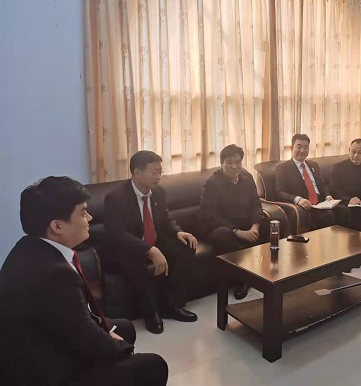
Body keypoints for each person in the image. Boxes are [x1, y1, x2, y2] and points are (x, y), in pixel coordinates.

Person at [0, 176, 168, 385]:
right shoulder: (53, 275)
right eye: (82, 213)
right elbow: (86, 338)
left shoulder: (28, 247)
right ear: (57, 226)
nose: (89, 218)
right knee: (153, 365)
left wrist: (109, 337)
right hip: (45, 370)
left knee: (124, 327)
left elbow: (73, 318)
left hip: (44, 339)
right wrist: (122, 348)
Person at [104, 151, 199, 334]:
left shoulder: (158, 192)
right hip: (129, 247)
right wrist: (149, 250)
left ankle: (172, 306)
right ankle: (150, 313)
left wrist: (178, 232)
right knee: (134, 262)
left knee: (186, 247)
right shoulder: (116, 198)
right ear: (137, 173)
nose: (159, 176)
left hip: (155, 241)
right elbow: (117, 234)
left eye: (160, 172)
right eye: (154, 172)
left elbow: (166, 218)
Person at [199, 144, 267, 299]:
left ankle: (267, 270)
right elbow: (210, 215)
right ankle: (242, 279)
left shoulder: (247, 178)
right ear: (221, 163)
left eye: (238, 162)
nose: (234, 166)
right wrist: (237, 232)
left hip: (245, 224)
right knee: (223, 235)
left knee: (272, 224)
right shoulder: (212, 183)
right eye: (229, 162)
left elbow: (256, 205)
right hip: (220, 226)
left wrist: (255, 226)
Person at [275, 134, 337, 229]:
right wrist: (298, 199)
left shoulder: (313, 165)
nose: (302, 150)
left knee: (344, 211)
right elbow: (279, 192)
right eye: (299, 147)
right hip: (305, 206)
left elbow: (322, 185)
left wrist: (328, 196)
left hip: (321, 203)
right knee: (329, 215)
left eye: (306, 147)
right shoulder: (283, 168)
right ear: (292, 148)